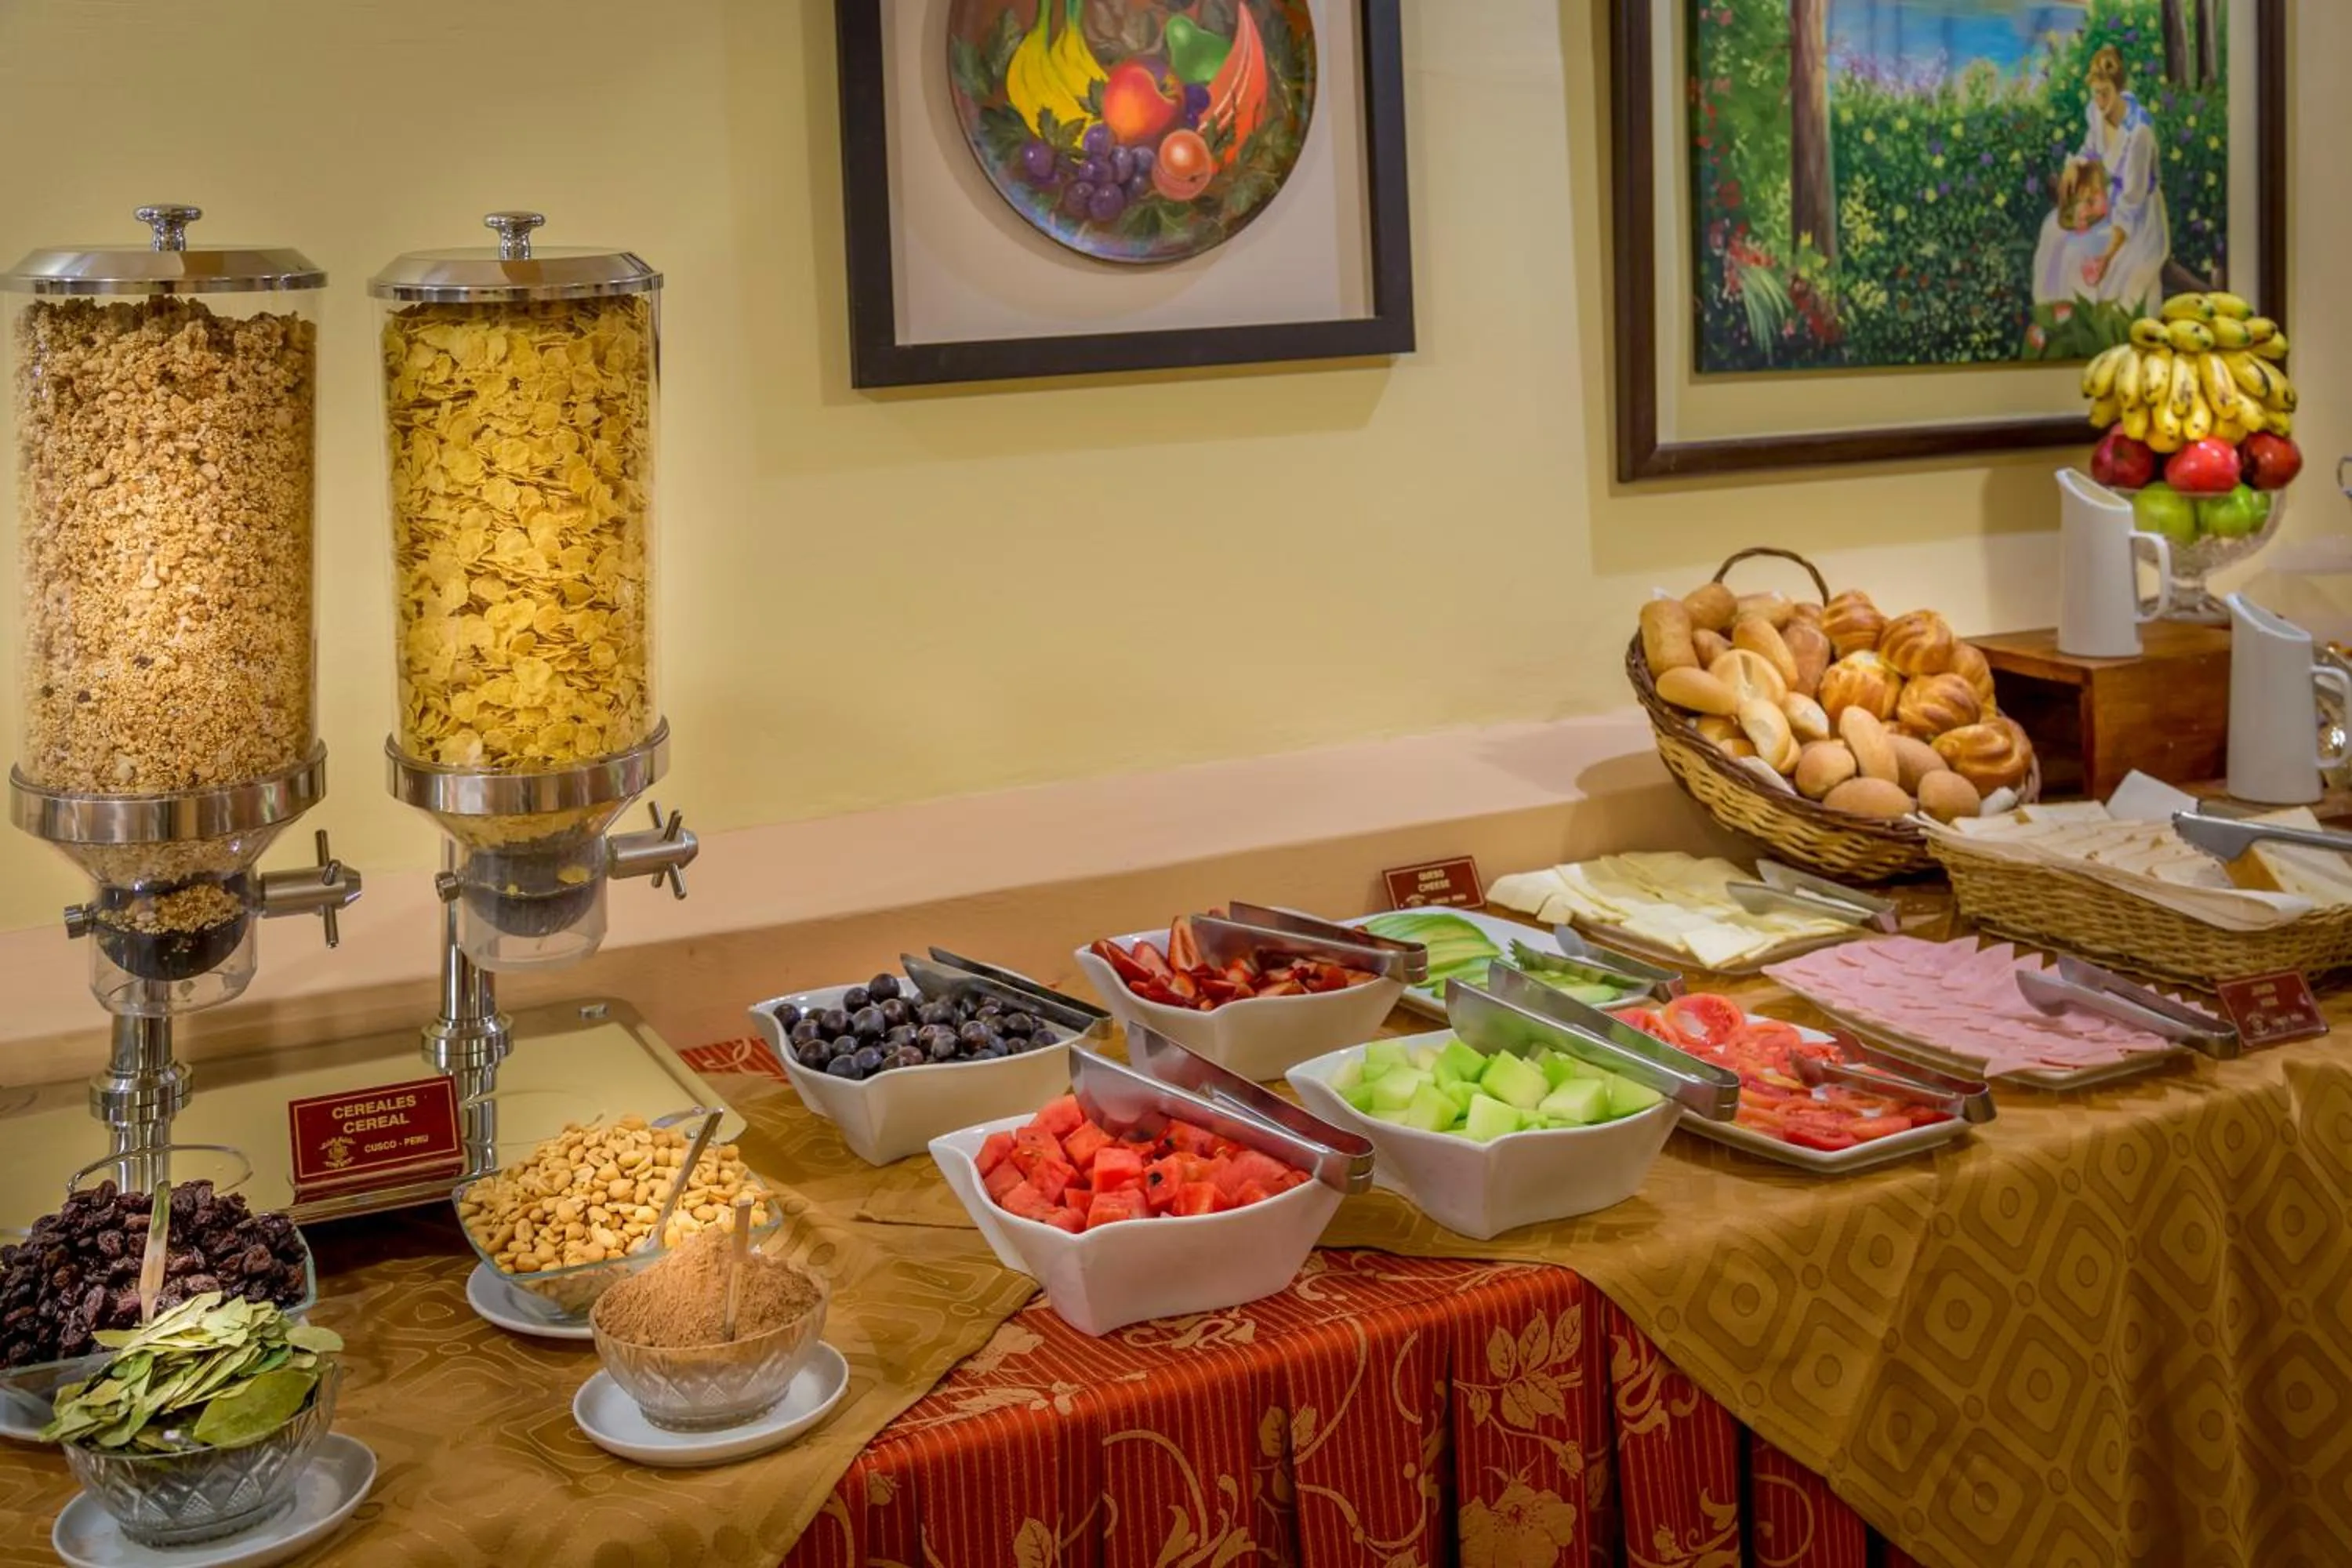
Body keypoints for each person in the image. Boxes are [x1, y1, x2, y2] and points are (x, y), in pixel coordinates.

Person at [2032, 45, 2171, 315]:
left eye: (2105, 93)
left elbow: (2132, 200)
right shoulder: (2097, 114)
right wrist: (2075, 164)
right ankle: (2051, 314)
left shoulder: (2138, 133)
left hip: (2138, 219)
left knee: (2078, 252)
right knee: (2052, 230)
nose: (2100, 100)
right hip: (2108, 203)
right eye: (2096, 93)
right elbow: (2091, 151)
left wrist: (2107, 256)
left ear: (2118, 89)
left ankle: (2083, 320)